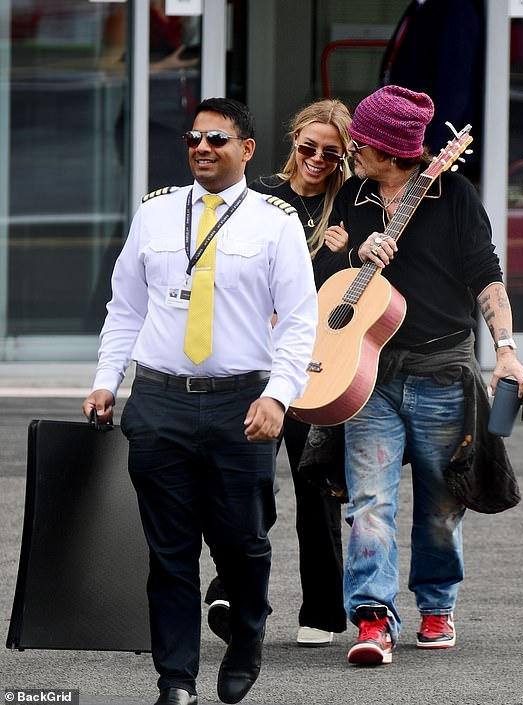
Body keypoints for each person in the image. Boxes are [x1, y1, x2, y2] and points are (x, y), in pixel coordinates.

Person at [82, 97, 318, 705]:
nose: (203, 148)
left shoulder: (276, 222)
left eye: (217, 139)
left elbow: (298, 322)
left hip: (242, 403)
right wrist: (107, 379)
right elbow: (126, 307)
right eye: (194, 139)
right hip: (159, 402)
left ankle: (246, 634)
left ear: (248, 149)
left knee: (243, 543)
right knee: (169, 553)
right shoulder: (155, 216)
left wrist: (279, 397)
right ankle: (176, 680)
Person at [311, 85, 523, 666]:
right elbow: (327, 278)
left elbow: (487, 277)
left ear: (390, 150)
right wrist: (356, 254)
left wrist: (505, 349)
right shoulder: (353, 195)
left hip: (441, 370)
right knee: (368, 503)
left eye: (362, 142)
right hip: (369, 374)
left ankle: (436, 605)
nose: (351, 148)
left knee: (440, 504)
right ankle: (372, 617)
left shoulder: (453, 194)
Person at [205, 98, 352, 648]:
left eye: (331, 153)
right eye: (307, 146)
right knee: (246, 486)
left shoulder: (350, 207)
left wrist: (348, 252)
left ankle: (322, 611)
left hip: (322, 367)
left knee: (316, 491)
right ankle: (231, 590)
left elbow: (358, 286)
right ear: (292, 141)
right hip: (255, 365)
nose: (316, 159)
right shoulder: (260, 196)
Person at [380, 0, 484, 180]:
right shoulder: (421, 5)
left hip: (432, 146)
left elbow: (453, 87)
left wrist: (435, 153)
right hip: (410, 137)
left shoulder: (456, 7)